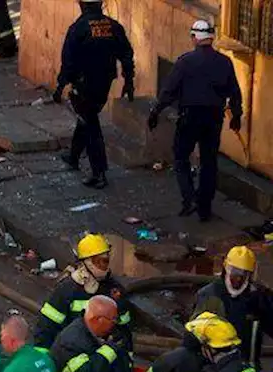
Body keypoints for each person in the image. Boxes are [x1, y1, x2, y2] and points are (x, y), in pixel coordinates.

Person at [148, 19, 243, 221]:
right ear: (211, 38)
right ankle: (204, 207)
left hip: (190, 117)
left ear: (194, 38)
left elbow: (169, 90)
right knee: (209, 162)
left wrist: (156, 111)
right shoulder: (224, 63)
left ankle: (189, 197)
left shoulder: (185, 62)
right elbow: (234, 92)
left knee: (181, 157)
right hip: (213, 118)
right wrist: (236, 115)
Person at [53, 0, 135, 189]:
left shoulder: (78, 28)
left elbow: (68, 61)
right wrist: (129, 81)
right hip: (104, 83)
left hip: (84, 84)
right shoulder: (114, 27)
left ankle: (99, 173)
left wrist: (60, 87)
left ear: (82, 4)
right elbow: (127, 54)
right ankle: (73, 157)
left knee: (90, 124)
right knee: (86, 117)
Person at [34, 233, 133, 351]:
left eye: (107, 260)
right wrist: (44, 361)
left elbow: (125, 330)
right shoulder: (66, 290)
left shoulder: (114, 290)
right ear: (87, 263)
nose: (105, 266)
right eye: (100, 261)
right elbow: (46, 328)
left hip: (102, 355)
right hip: (71, 351)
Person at [193, 245, 273, 372]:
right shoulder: (208, 296)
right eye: (235, 272)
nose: (238, 278)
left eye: (243, 274)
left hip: (247, 367)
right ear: (226, 268)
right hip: (214, 369)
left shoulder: (259, 297)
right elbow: (193, 334)